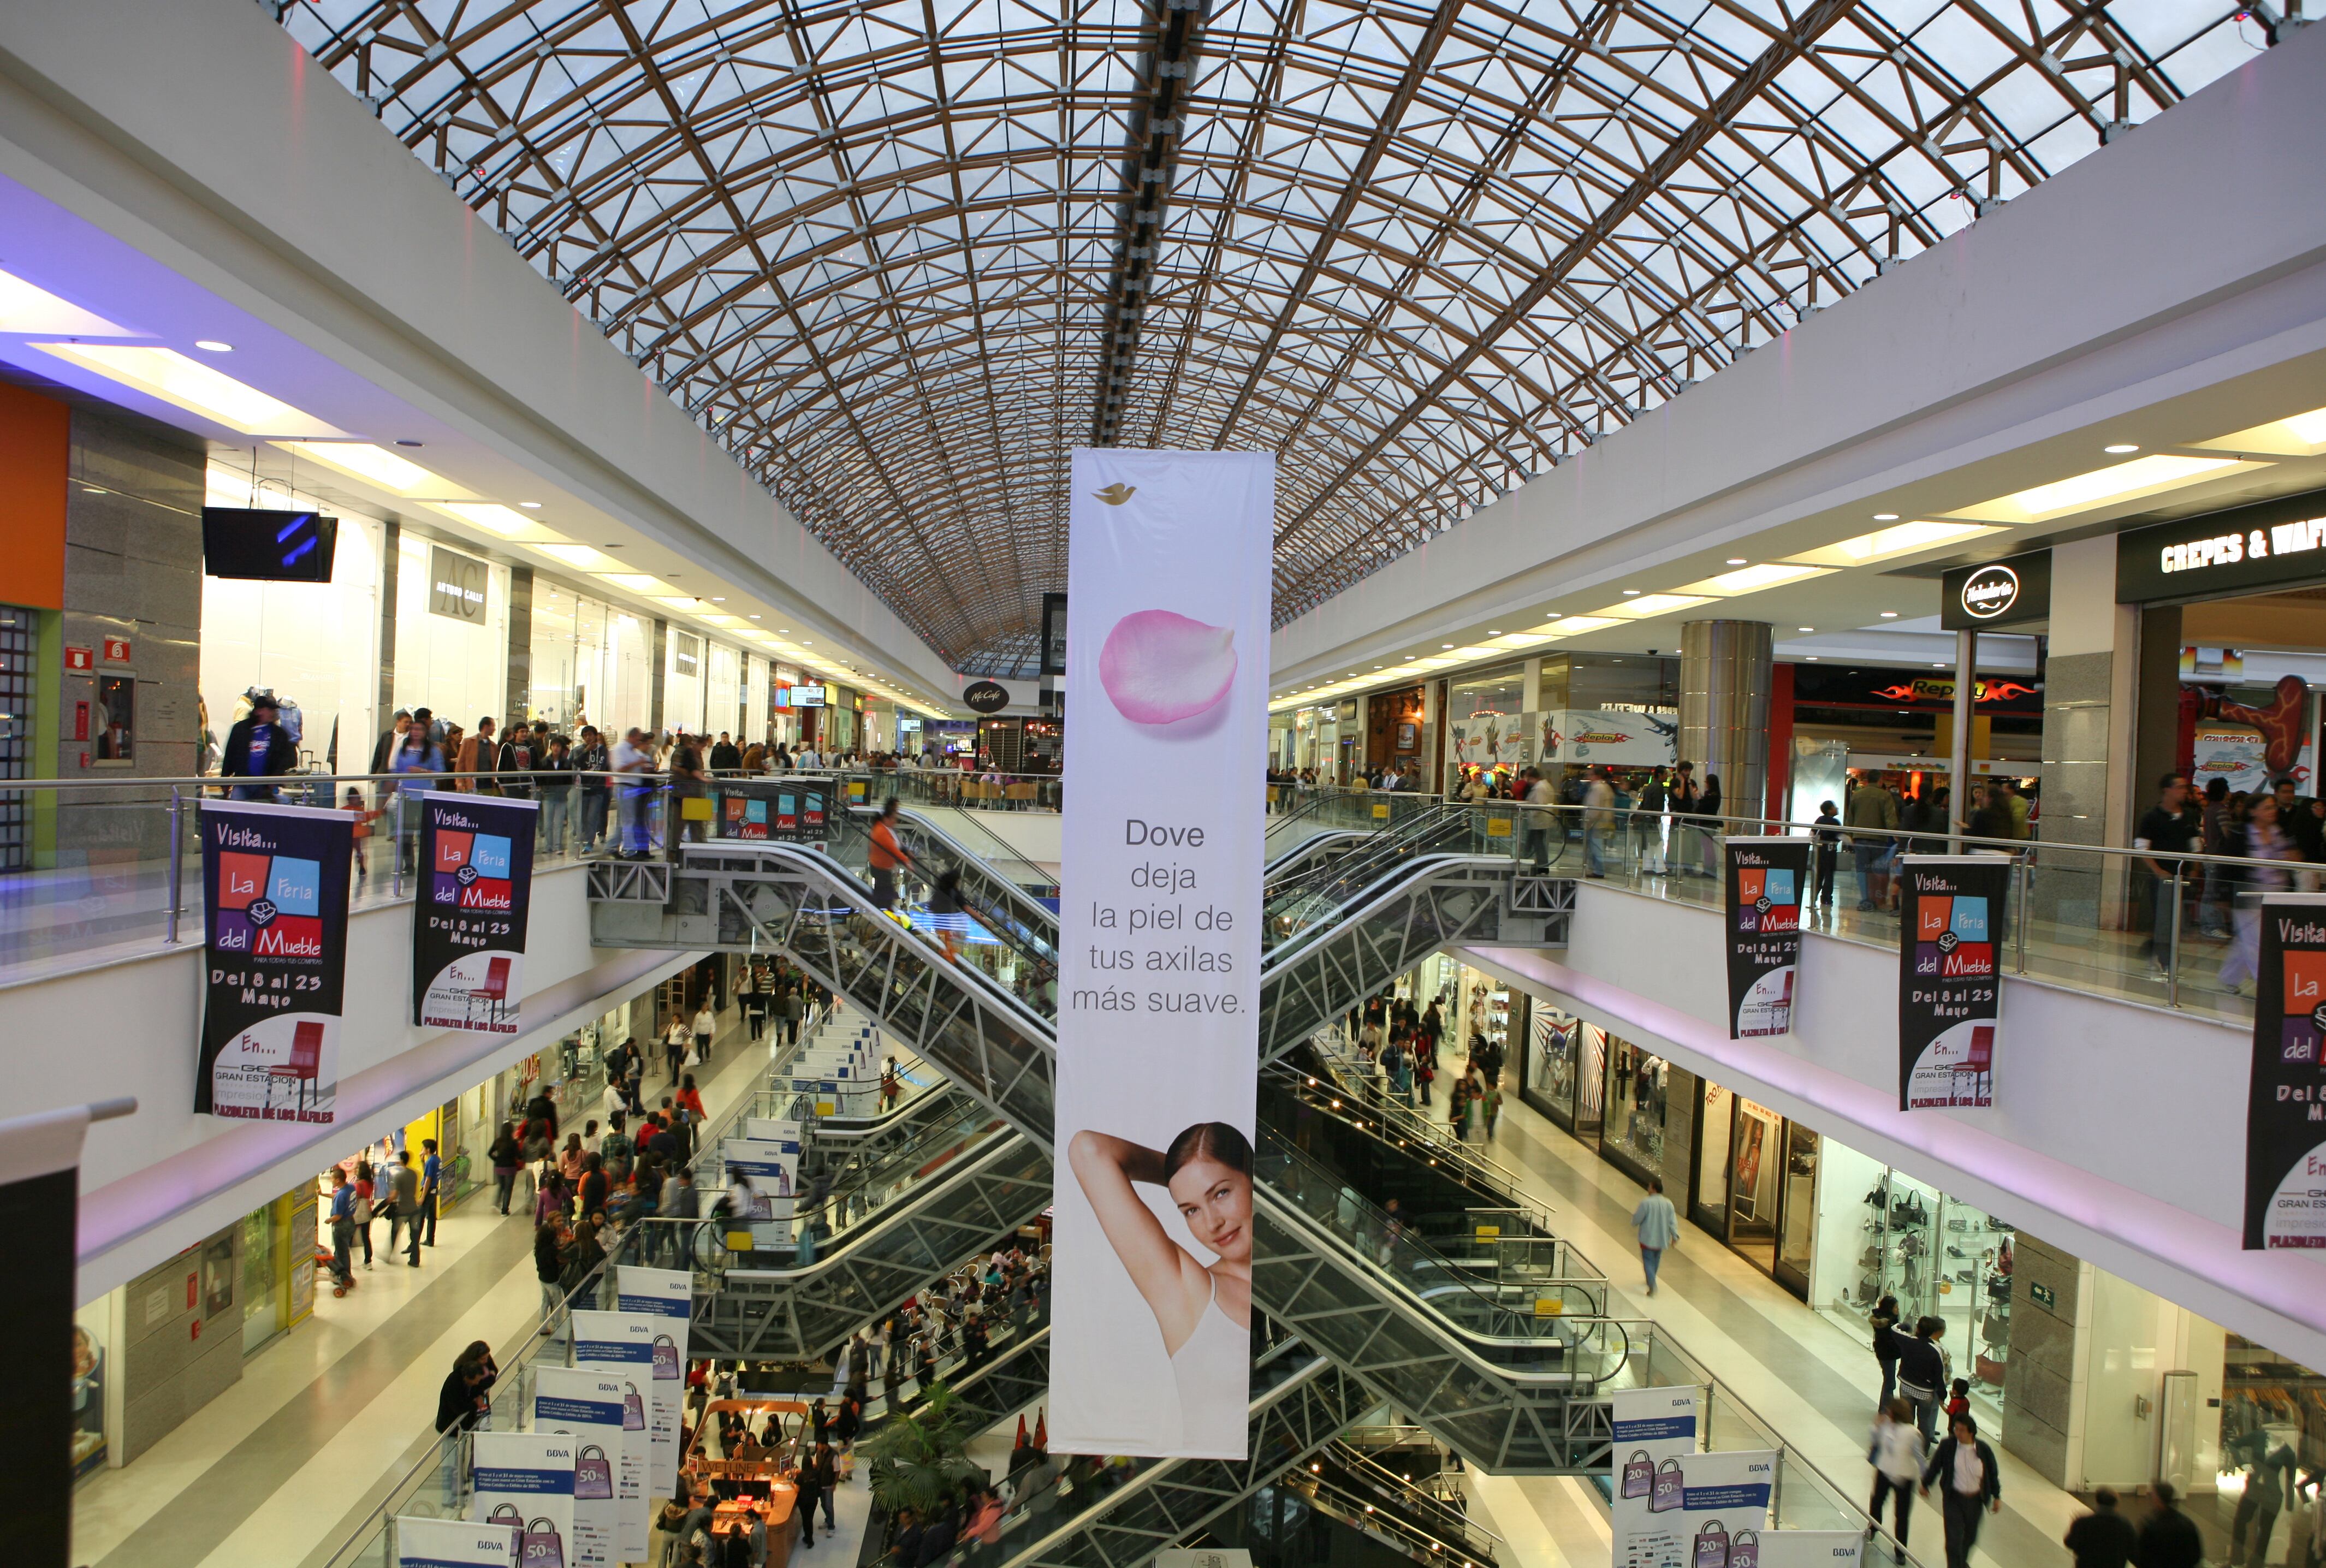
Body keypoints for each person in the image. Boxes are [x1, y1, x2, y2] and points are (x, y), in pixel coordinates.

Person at [1067, 1122, 1252, 1453]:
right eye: (1191, 1210)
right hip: (1217, 1490)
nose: (1212, 1223)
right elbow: (1089, 1150)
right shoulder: (1188, 1292)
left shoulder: (1308, 1276)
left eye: (1221, 1193)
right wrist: (1179, 1173)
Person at [2134, 771, 2197, 977]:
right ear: (2166, 790)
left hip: (2184, 878)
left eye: (2185, 787)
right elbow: (2142, 847)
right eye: (2179, 787)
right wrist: (2159, 871)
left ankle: (2156, 950)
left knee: (2177, 922)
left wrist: (2195, 868)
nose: (2184, 791)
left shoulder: (2189, 815)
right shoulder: (2152, 817)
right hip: (2164, 879)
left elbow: (2196, 845)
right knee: (2165, 921)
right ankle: (2168, 962)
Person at [1919, 1412, 2001, 1568]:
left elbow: (1992, 1472)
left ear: (1971, 1432)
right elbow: (1936, 1466)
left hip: (1975, 1500)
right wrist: (1926, 1484)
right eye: (1956, 1429)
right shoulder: (1948, 1446)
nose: (1958, 1433)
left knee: (1971, 1537)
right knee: (1953, 1540)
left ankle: (1960, 1563)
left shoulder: (1983, 1450)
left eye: (1962, 1430)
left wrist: (1996, 1496)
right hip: (1953, 1499)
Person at [1867, 1396, 1924, 1563]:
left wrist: (1926, 1480)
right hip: (1884, 1470)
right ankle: (1873, 1527)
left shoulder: (1913, 1433)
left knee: (1902, 1514)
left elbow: (1919, 1457)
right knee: (1877, 1501)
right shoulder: (1885, 1426)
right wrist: (1876, 1426)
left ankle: (1900, 1551)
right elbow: (1875, 1440)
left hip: (1905, 1476)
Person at [221, 693, 299, 801]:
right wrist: (225, 782)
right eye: (270, 710)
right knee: (238, 808)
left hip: (265, 786)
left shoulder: (279, 734)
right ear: (259, 711)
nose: (273, 713)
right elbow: (230, 755)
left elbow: (285, 760)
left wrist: (274, 780)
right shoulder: (240, 730)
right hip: (243, 782)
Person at [1847, 773, 1901, 908]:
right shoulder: (1885, 795)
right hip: (1879, 839)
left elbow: (1850, 818)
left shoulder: (1857, 795)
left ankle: (1866, 900)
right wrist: (1896, 836)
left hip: (1859, 838)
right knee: (1878, 869)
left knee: (1861, 869)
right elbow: (1890, 819)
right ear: (1880, 780)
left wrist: (1850, 835)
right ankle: (1878, 899)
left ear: (1867, 781)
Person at [1896, 1316, 1948, 1446]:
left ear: (1918, 1328)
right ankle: (1923, 1449)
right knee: (1924, 1421)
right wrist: (1942, 1395)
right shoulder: (1936, 1350)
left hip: (1907, 1385)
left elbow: (1894, 1329)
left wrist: (1905, 1326)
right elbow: (1939, 1374)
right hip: (1925, 1391)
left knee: (1907, 1418)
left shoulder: (1909, 1341)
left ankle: (1905, 1445)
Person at [2134, 1481, 2204, 1568]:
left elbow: (2141, 1557)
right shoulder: (2187, 1524)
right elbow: (2196, 1555)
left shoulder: (2151, 1527)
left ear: (2157, 1498)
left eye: (2152, 1494)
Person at [1629, 1177, 1679, 1296]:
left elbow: (1638, 1218)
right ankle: (1651, 1279)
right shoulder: (1668, 1204)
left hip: (1648, 1238)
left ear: (1654, 1189)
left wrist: (1634, 1222)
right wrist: (1675, 1236)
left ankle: (1652, 1284)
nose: (1648, 1189)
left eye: (1650, 1187)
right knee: (1656, 1260)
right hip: (1662, 1238)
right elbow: (1673, 1222)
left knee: (1648, 1261)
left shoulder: (1646, 1202)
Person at [2065, 1487, 2138, 1568]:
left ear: (2097, 1501)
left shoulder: (2083, 1522)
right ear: (2116, 1504)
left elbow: (2070, 1543)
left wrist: (2074, 1526)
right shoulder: (2125, 1525)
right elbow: (2133, 1553)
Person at [869, 797, 913, 911]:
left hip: (882, 867)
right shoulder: (881, 831)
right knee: (885, 894)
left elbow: (897, 844)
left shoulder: (886, 828)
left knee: (884, 892)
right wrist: (907, 861)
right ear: (888, 817)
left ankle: (883, 910)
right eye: (894, 818)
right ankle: (883, 912)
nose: (896, 821)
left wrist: (906, 852)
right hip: (880, 868)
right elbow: (893, 849)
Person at [796, 1438, 836, 1546]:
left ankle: (830, 1526)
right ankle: (828, 1521)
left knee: (828, 1505)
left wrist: (834, 1484)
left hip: (826, 1486)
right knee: (823, 1505)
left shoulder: (834, 1455)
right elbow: (815, 1466)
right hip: (815, 1496)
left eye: (819, 1444)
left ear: (824, 1444)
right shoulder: (817, 1465)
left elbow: (837, 1470)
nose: (817, 1446)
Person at [387, 1149, 424, 1267]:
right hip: (414, 1208)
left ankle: (389, 1255)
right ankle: (415, 1260)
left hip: (402, 1210)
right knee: (414, 1235)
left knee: (395, 1232)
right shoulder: (415, 1174)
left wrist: (385, 1204)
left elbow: (394, 1195)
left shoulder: (399, 1176)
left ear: (402, 1160)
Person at [327, 1168, 358, 1295]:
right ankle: (340, 1273)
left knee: (342, 1252)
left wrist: (328, 1220)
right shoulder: (350, 1188)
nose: (331, 1180)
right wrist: (322, 1194)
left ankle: (345, 1277)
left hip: (341, 1226)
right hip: (351, 1223)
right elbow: (338, 1197)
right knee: (342, 1251)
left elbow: (338, 1216)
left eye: (332, 1178)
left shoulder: (341, 1195)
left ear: (338, 1180)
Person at [1870, 1293, 1903, 1407]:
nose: (1898, 1310)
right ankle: (1885, 1408)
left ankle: (1887, 1406)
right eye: (1896, 1307)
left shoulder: (1883, 1319)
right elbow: (1891, 1340)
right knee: (1890, 1382)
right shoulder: (1888, 1324)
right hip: (1888, 1355)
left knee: (1889, 1380)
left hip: (1885, 1354)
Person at [1812, 799, 1841, 909]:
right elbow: (1840, 836)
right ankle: (1826, 898)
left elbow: (1813, 833)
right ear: (1830, 810)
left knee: (1819, 875)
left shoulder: (1819, 820)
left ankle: (1813, 897)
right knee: (1829, 875)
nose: (1837, 808)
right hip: (1830, 852)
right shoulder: (1835, 822)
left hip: (1819, 851)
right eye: (1834, 807)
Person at [692, 996, 717, 1066]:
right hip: (700, 1034)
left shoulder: (710, 1014)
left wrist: (712, 1032)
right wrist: (693, 1035)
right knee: (700, 1047)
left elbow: (712, 1023)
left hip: (707, 1033)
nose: (705, 1008)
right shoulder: (698, 1016)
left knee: (707, 1046)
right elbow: (694, 1026)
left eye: (706, 1007)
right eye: (704, 1007)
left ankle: (708, 1056)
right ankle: (700, 1060)